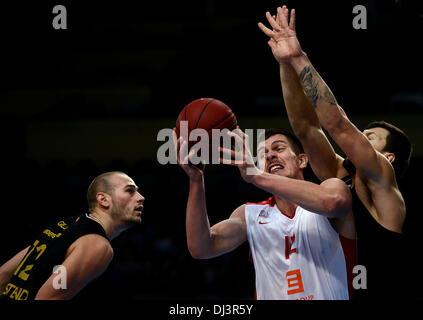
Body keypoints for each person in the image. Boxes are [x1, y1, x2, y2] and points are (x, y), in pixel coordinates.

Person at [258, 5, 413, 299]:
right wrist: (285, 63)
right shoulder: (341, 175)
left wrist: (299, 58)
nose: (361, 140)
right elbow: (306, 128)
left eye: (370, 138)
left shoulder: (382, 179)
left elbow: (338, 124)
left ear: (389, 158)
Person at [175, 127, 356, 300]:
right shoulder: (250, 214)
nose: (270, 155)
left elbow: (334, 201)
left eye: (279, 148)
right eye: (263, 154)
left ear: (302, 160)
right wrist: (196, 180)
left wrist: (256, 177)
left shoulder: (331, 188)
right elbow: (201, 247)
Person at [0, 171, 145, 300]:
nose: (141, 197)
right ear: (103, 200)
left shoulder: (65, 225)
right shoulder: (97, 245)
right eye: (130, 190)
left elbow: (4, 274)